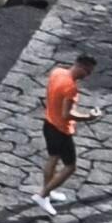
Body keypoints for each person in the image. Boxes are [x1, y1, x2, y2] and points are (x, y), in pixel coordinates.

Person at [36, 51, 96, 213]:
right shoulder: (70, 88)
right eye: (88, 72)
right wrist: (89, 117)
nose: (87, 76)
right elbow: (67, 114)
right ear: (82, 67)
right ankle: (43, 195)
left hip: (48, 123)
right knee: (70, 167)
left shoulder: (57, 72)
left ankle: (48, 191)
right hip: (61, 130)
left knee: (53, 159)